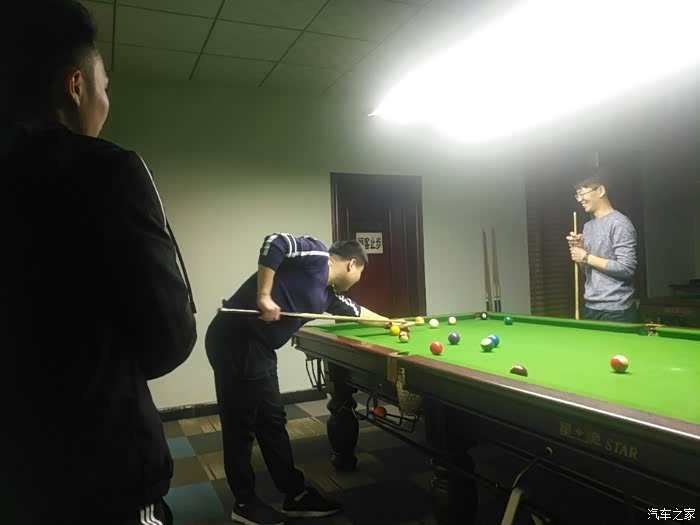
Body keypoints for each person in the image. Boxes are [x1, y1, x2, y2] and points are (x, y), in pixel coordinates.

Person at [0, 2, 197, 523]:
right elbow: (170, 338)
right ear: (76, 87)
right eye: (104, 86)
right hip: (103, 467)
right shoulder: (112, 170)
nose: (106, 101)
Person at [206, 235, 402, 525]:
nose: (359, 280)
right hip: (235, 340)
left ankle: (294, 494)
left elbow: (358, 312)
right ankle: (244, 503)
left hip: (259, 349)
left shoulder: (327, 295)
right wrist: (264, 296)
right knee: (241, 426)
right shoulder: (316, 255)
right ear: (352, 264)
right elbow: (274, 243)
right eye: (361, 272)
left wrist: (392, 323)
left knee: (272, 421)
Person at [567, 172, 639, 322]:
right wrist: (580, 251)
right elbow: (588, 271)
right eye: (577, 196)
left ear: (600, 191)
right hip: (591, 307)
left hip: (617, 310)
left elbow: (626, 269)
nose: (580, 199)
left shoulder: (619, 223)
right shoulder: (588, 226)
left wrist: (586, 257)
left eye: (582, 194)